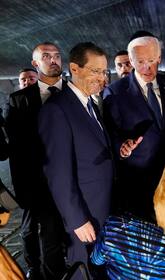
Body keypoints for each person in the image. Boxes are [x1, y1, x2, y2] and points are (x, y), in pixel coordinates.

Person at [38, 42, 114, 279]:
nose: (101, 78)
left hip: (100, 210)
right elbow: (57, 174)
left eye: (104, 72)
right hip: (83, 217)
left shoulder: (89, 104)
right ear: (75, 68)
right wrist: (77, 220)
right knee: (83, 270)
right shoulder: (57, 110)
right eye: (95, 71)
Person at [103, 31, 165, 218]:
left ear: (160, 58)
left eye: (152, 60)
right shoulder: (115, 93)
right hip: (137, 180)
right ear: (130, 60)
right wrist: (121, 147)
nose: (147, 67)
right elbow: (110, 134)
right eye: (140, 62)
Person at [6, 42, 67, 280]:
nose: (53, 60)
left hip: (74, 180)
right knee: (45, 235)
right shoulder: (18, 100)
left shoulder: (75, 92)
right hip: (39, 185)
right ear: (35, 63)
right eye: (46, 56)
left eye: (57, 56)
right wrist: (22, 190)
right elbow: (16, 151)